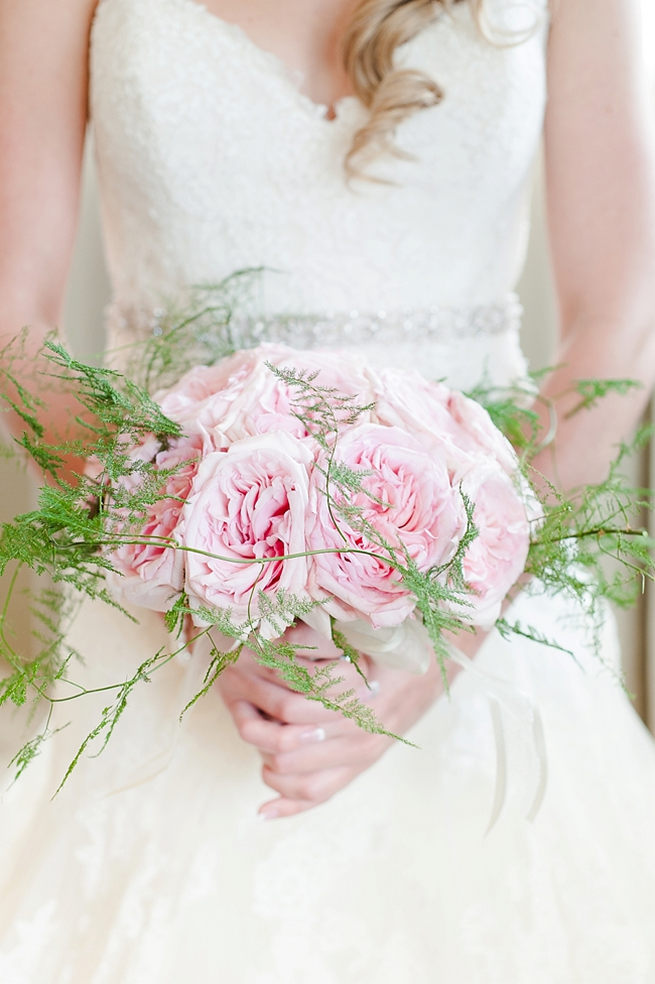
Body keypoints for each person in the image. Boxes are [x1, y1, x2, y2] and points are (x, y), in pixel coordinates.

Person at [1, 0, 655, 980]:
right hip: (163, 631)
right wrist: (189, 567)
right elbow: (9, 309)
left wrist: (450, 626)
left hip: (498, 620)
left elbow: (621, 317)